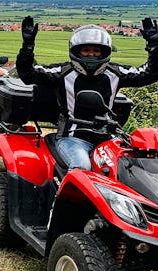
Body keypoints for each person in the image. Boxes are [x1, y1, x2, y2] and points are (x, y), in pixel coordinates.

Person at [17, 16, 158, 171]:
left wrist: (154, 46)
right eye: (86, 50)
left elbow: (149, 73)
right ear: (76, 51)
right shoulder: (63, 73)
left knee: (129, 169)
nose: (91, 55)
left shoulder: (115, 73)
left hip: (107, 137)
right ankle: (67, 196)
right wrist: (27, 46)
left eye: (96, 51)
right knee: (82, 167)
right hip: (72, 138)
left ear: (104, 52)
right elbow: (28, 74)